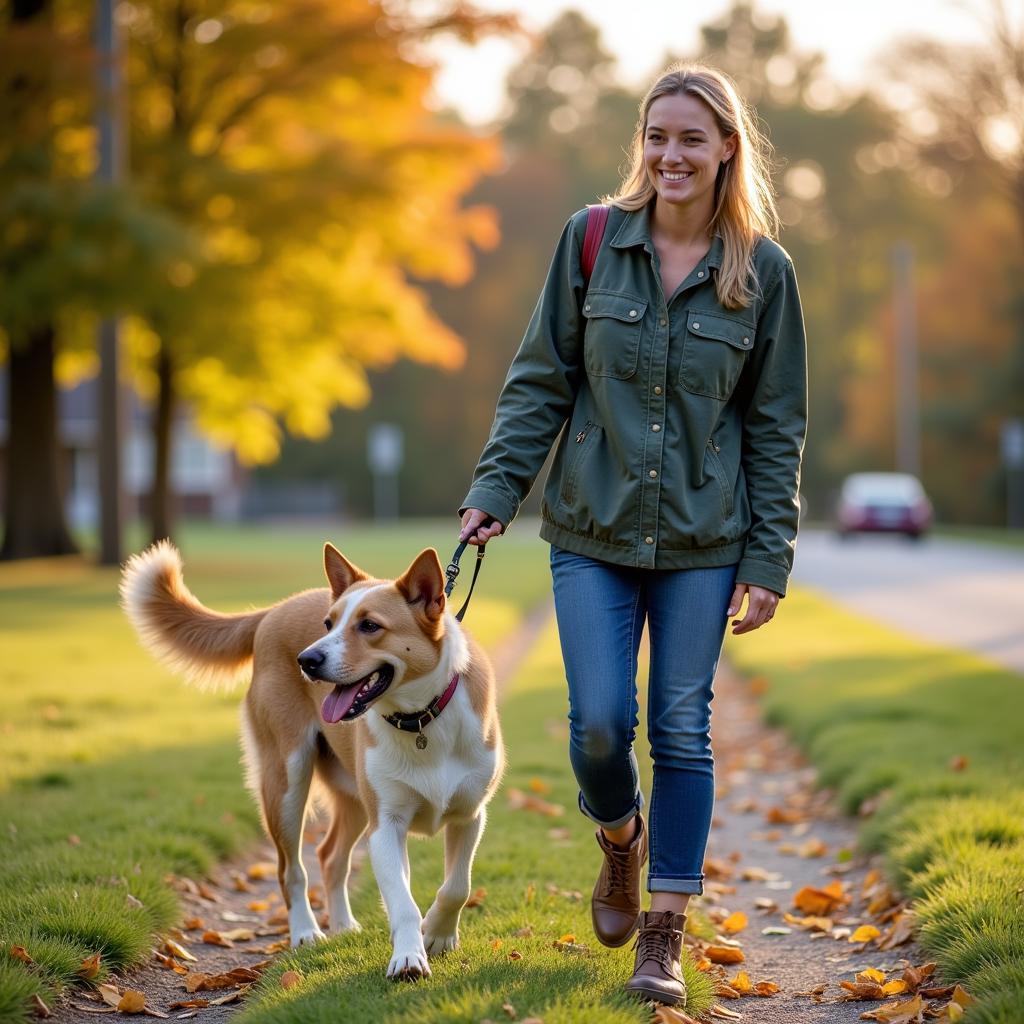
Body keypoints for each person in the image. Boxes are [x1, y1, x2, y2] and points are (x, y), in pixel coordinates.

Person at [458, 62, 807, 1008]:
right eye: (657, 136)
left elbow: (777, 430)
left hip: (707, 542)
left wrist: (768, 559)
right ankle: (620, 838)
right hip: (591, 531)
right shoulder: (592, 241)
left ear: (728, 148)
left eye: (692, 138)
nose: (671, 155)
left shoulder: (763, 273)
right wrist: (497, 488)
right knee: (602, 724)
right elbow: (542, 379)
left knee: (682, 730)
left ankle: (665, 934)